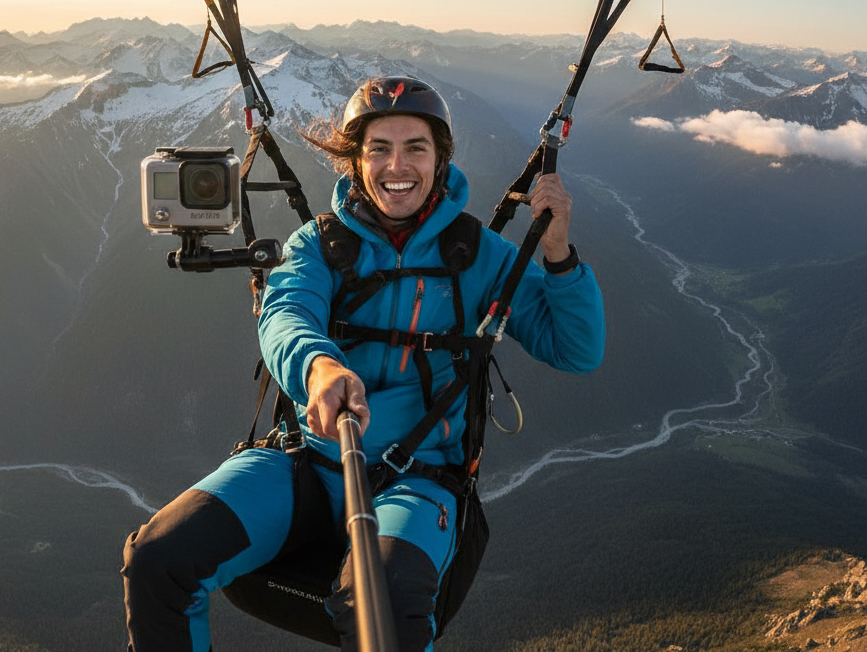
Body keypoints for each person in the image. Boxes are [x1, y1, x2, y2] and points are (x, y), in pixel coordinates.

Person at [122, 76, 605, 651]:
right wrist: (319, 368)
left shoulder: (479, 256)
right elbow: (285, 315)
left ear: (440, 160)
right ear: (355, 160)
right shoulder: (317, 246)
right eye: (379, 149)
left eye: (415, 148)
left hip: (418, 479)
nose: (397, 166)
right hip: (306, 463)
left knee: (385, 607)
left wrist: (558, 252)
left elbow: (576, 349)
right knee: (158, 559)